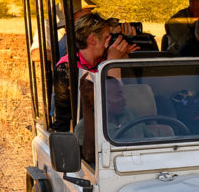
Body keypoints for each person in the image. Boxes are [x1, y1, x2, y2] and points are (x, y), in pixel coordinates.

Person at [59, 13, 139, 162]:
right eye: (108, 37)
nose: (110, 42)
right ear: (92, 39)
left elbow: (121, 97)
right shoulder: (67, 68)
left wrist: (121, 58)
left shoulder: (103, 59)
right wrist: (113, 62)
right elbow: (109, 101)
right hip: (85, 133)